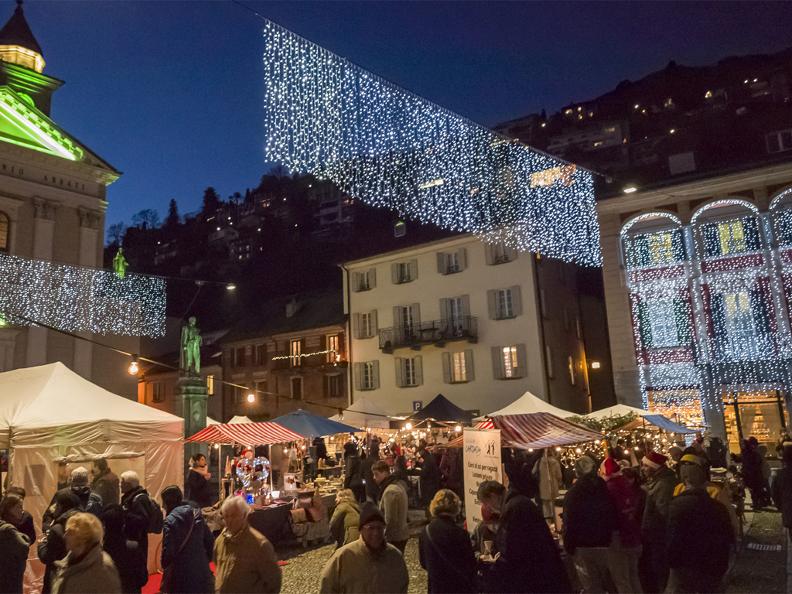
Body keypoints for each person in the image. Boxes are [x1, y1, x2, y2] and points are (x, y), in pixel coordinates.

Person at [478, 480, 570, 593]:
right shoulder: (521, 502)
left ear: (493, 497)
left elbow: (511, 550)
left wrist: (494, 570)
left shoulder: (512, 510)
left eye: (486, 504)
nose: (489, 509)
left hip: (536, 577)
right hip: (545, 572)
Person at [666, 457, 734, 593]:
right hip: (712, 564)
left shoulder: (677, 504)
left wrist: (672, 562)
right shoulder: (717, 502)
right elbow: (729, 531)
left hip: (687, 565)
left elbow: (673, 538)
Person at [320, 502, 409, 594]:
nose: (376, 533)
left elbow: (402, 587)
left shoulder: (394, 556)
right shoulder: (343, 557)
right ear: (361, 529)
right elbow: (327, 588)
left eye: (379, 528)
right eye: (371, 528)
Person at [563, 455, 618, 594]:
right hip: (604, 542)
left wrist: (568, 545)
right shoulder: (603, 489)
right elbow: (611, 513)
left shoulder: (574, 492)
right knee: (609, 582)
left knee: (591, 585)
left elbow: (570, 520)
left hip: (583, 544)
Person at [214, 496, 281, 593]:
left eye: (234, 516)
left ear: (244, 515)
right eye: (226, 516)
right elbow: (217, 566)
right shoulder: (220, 541)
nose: (229, 520)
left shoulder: (259, 544)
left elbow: (273, 580)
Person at [419, 489, 476, 594]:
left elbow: (423, 562)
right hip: (457, 586)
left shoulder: (425, 531)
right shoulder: (460, 534)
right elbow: (469, 564)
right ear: (456, 508)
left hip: (436, 586)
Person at [601, 458, 645, 594]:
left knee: (622, 580)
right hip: (633, 535)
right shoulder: (626, 485)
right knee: (633, 576)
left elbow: (609, 515)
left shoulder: (608, 489)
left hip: (618, 538)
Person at [160, 485, 214, 593]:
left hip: (179, 574)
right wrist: (203, 560)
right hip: (200, 570)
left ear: (167, 503)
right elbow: (209, 540)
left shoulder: (170, 521)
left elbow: (167, 555)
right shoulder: (196, 515)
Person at [51, 512, 121, 594]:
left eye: (69, 533)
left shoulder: (104, 570)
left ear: (82, 538)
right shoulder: (69, 561)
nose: (64, 536)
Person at [673, 454, 740, 539]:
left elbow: (728, 515)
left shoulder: (714, 490)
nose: (686, 470)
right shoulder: (679, 488)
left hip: (705, 537)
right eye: (684, 466)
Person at [640, 451, 677, 594]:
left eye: (645, 466)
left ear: (654, 467)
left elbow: (663, 511)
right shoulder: (658, 481)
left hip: (660, 536)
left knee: (661, 569)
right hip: (657, 535)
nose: (642, 468)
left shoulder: (663, 484)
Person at [120, 471, 156, 594]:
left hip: (137, 540)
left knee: (134, 573)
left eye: (122, 482)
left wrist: (125, 515)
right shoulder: (133, 497)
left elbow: (143, 520)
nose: (120, 485)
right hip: (135, 540)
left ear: (129, 484)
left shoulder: (139, 499)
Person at [39, 490, 82, 593]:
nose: (54, 509)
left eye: (57, 505)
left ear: (62, 507)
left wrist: (42, 544)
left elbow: (47, 557)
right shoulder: (84, 524)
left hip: (57, 577)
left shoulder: (58, 529)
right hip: (78, 577)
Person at [101, 504, 146, 594]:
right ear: (123, 525)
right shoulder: (133, 547)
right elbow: (143, 578)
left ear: (104, 526)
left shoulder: (98, 551)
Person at [372, 460, 409, 553]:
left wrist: (383, 538)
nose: (374, 477)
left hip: (395, 537)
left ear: (385, 473)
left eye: (376, 474)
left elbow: (390, 519)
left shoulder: (390, 491)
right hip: (401, 534)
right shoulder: (397, 485)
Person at [0, 494, 30, 594]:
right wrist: (26, 537)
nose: (22, 510)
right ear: (9, 509)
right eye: (19, 507)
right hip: (10, 580)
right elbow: (24, 547)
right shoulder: (8, 529)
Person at [535, 449, 563, 529]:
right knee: (553, 505)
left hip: (542, 486)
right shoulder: (555, 462)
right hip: (553, 486)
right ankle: (555, 522)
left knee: (545, 506)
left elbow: (533, 472)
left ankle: (548, 523)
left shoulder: (539, 462)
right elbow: (559, 475)